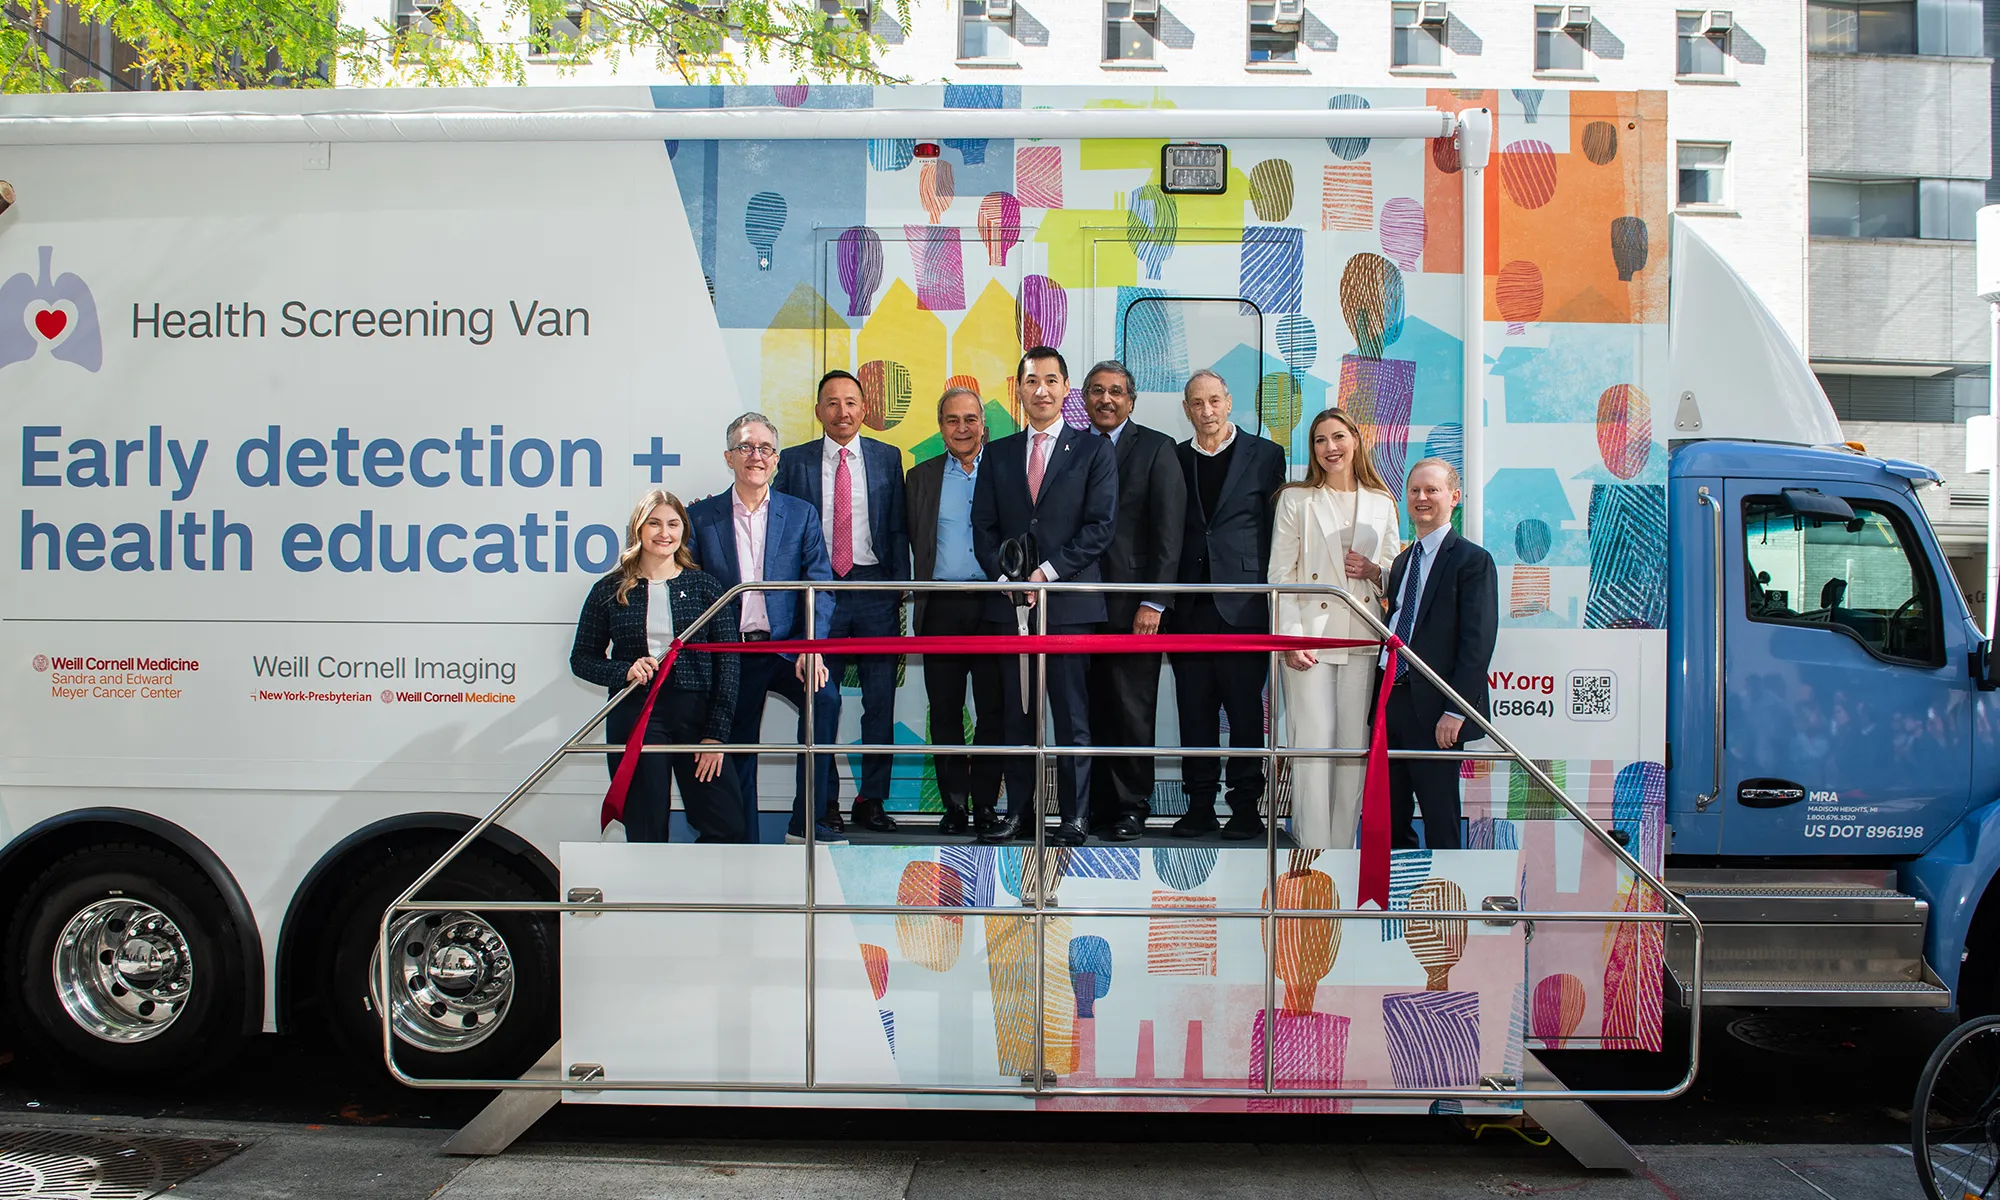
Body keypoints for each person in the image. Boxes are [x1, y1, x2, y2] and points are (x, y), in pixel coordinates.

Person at [972, 346, 1118, 846]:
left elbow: (1100, 528)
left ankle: (1074, 817)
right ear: (1019, 389)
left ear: (1065, 388)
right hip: (1011, 609)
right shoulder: (998, 453)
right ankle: (1019, 813)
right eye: (1032, 381)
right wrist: (1011, 578)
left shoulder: (1095, 450)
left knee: (1072, 716)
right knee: (1017, 716)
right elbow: (983, 528)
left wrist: (1046, 574)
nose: (1042, 390)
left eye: (1052, 380)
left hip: (1070, 608)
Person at [688, 413, 841, 845]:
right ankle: (741, 841)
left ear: (776, 461)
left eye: (765, 449)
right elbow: (692, 592)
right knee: (737, 746)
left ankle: (805, 823)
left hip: (789, 648)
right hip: (732, 653)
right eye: (746, 447)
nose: (756, 456)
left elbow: (820, 585)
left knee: (825, 700)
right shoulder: (700, 517)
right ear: (729, 457)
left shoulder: (800, 514)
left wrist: (812, 647)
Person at [776, 370, 911, 835]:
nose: (843, 411)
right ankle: (825, 800)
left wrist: (899, 589)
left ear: (864, 409)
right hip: (820, 591)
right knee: (821, 699)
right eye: (832, 403)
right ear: (818, 411)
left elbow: (896, 528)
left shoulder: (887, 457)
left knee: (880, 701)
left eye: (851, 402)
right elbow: (785, 535)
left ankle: (871, 799)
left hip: (875, 590)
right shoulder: (793, 462)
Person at [569, 489, 744, 844]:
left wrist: (716, 734)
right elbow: (582, 659)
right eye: (654, 523)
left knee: (726, 824)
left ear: (683, 531)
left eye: (673, 524)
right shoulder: (609, 589)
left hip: (696, 717)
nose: (664, 533)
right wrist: (624, 671)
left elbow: (728, 665)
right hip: (636, 714)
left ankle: (693, 897)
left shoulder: (707, 588)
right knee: (646, 825)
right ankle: (650, 898)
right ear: (638, 529)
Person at [1269, 408, 1402, 850]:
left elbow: (1394, 577)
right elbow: (1280, 575)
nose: (1331, 447)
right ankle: (1312, 848)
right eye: (1321, 440)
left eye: (1338, 437)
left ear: (1356, 441)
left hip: (1362, 636)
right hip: (1310, 638)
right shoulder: (1296, 500)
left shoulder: (1383, 502)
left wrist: (1374, 570)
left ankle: (1343, 849)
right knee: (1312, 746)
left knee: (1351, 751)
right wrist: (1290, 636)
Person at [1170, 369, 1287, 840]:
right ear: (1187, 409)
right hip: (1189, 606)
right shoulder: (1173, 458)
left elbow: (1278, 529)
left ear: (1229, 400)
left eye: (1214, 400)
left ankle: (1245, 809)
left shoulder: (1266, 456)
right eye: (1197, 403)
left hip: (1244, 607)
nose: (1207, 411)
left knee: (1244, 714)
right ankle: (1199, 806)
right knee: (1193, 713)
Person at [1080, 359, 1187, 842]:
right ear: (1084, 399)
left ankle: (1130, 808)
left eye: (1116, 391)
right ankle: (1092, 807)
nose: (1106, 399)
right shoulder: (1072, 448)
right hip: (1078, 604)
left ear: (1132, 399)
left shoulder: (1157, 449)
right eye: (1098, 391)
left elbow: (1170, 534)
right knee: (1088, 708)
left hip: (1133, 607)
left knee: (1132, 707)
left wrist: (1155, 601)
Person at [1378, 458, 1499, 851]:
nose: (1422, 498)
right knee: (1391, 815)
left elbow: (1476, 643)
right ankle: (1398, 901)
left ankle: (1448, 904)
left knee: (1440, 815)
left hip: (1436, 710)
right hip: (1389, 700)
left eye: (1432, 490)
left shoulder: (1472, 561)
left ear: (1454, 497)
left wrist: (1457, 709)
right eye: (1415, 490)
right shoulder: (1401, 562)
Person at [906, 386, 1002, 837]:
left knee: (993, 712)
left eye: (970, 419)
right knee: (943, 712)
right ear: (940, 425)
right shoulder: (920, 477)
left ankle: (985, 805)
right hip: (941, 605)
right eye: (952, 420)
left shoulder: (1005, 468)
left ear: (983, 423)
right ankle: (955, 806)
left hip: (993, 605)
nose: (961, 428)